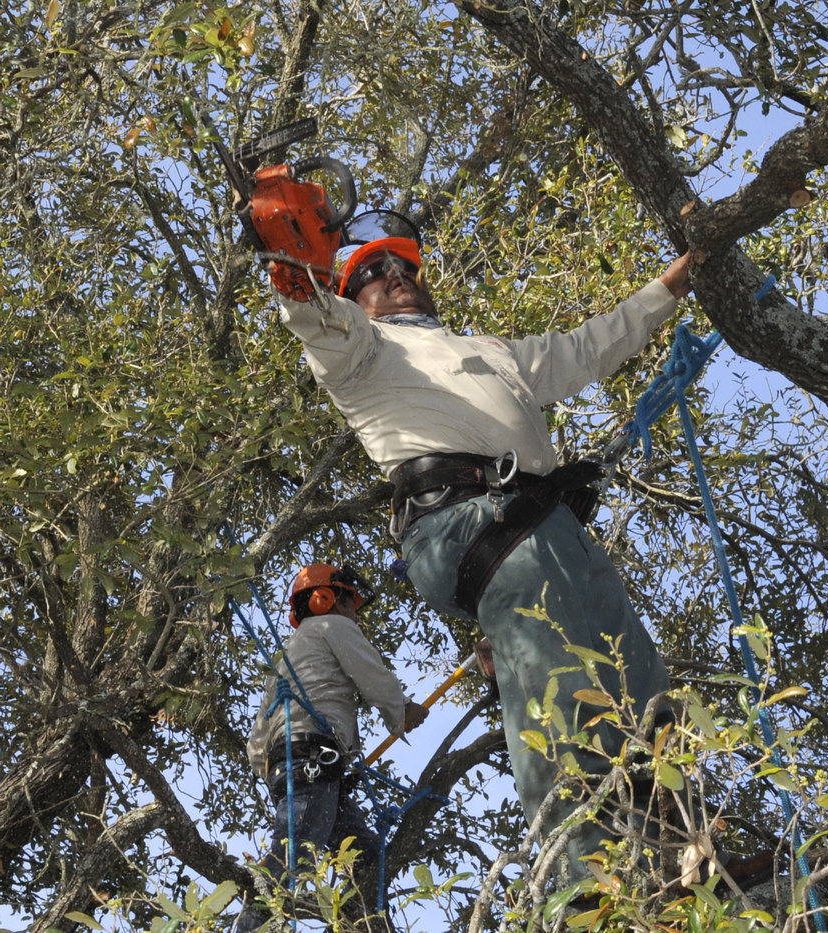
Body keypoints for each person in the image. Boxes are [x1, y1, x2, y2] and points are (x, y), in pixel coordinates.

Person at [266, 226, 693, 888]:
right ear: (355, 298)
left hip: (545, 524)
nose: (391, 273)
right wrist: (291, 259)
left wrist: (674, 282)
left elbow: (590, 345)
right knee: (558, 685)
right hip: (468, 521)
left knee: (636, 676)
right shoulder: (364, 348)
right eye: (370, 273)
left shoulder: (491, 351)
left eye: (401, 265)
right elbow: (314, 316)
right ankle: (587, 888)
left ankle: (681, 860)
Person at [235, 562, 428, 933]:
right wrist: (401, 710)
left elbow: (258, 741)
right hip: (312, 761)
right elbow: (371, 674)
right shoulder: (333, 627)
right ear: (326, 599)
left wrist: (271, 766)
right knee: (293, 856)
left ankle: (360, 922)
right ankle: (251, 926)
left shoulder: (289, 655)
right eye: (350, 602)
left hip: (299, 767)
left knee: (367, 861)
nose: (354, 612)